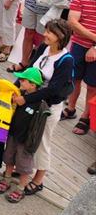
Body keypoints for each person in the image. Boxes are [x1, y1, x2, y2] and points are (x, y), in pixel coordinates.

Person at [9, 19, 75, 197]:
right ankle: (24, 169)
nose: (45, 34)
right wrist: (15, 89)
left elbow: (52, 89)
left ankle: (38, 180)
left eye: (50, 32)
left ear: (61, 36)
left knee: (42, 141)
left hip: (47, 107)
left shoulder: (66, 60)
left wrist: (26, 98)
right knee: (26, 138)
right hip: (30, 102)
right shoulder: (43, 48)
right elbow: (29, 69)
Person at [0, 67, 45, 203]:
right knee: (9, 157)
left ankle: (20, 188)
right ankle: (7, 179)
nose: (20, 81)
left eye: (23, 80)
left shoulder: (39, 104)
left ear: (33, 84)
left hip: (26, 141)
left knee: (24, 166)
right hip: (13, 135)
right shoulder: (19, 95)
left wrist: (31, 142)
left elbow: (38, 127)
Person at [64, 0, 96, 137]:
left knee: (92, 86)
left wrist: (95, 46)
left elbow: (77, 24)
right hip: (78, 45)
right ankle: (71, 108)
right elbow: (72, 22)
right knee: (74, 79)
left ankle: (85, 117)